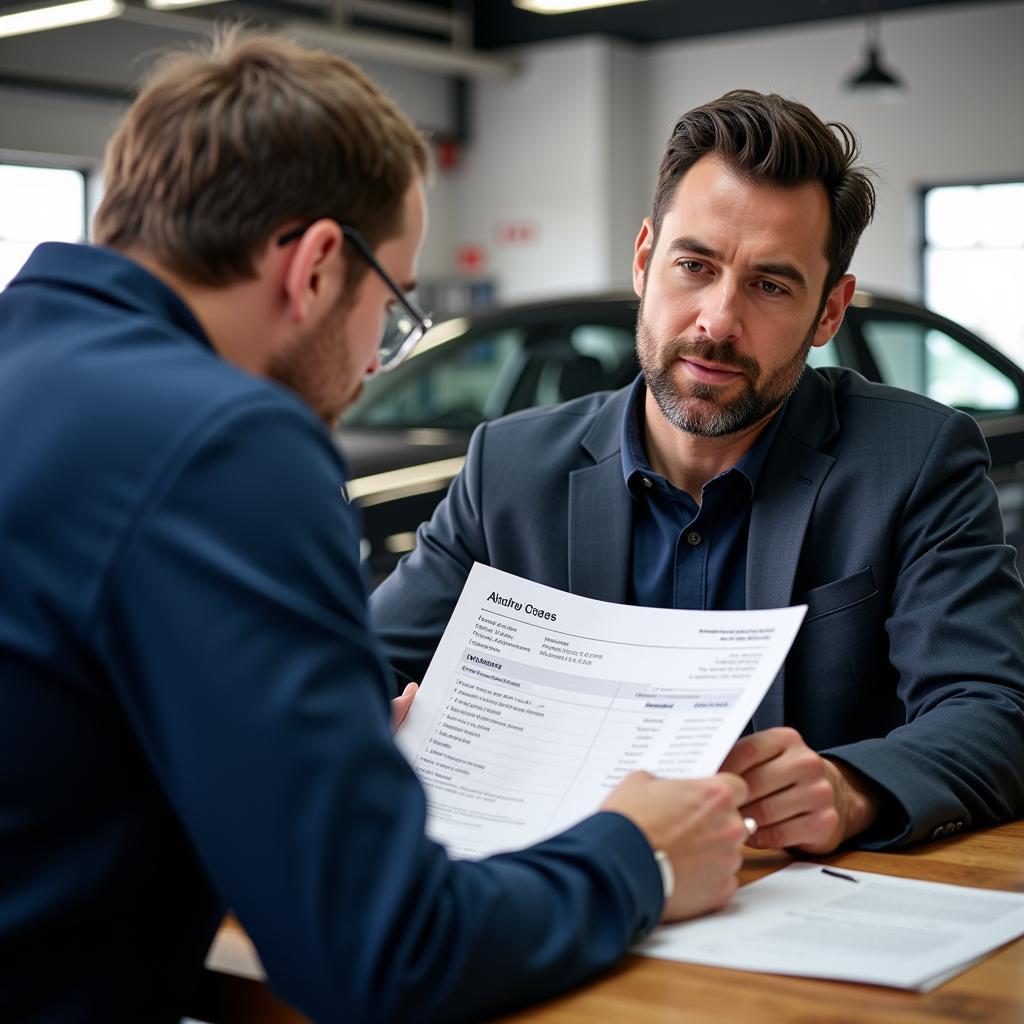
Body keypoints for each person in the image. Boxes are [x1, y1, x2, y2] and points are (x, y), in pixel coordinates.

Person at [0, 31, 753, 1024]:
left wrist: (301, 749)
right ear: (315, 266)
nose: (372, 365)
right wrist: (640, 851)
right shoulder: (228, 440)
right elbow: (386, 953)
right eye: (392, 312)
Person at [372, 90, 1024, 856]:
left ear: (828, 312)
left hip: (788, 912)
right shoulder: (508, 470)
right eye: (695, 265)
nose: (717, 320)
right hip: (550, 893)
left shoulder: (914, 460)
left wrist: (852, 789)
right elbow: (357, 666)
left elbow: (993, 709)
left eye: (770, 285)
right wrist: (364, 717)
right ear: (645, 259)